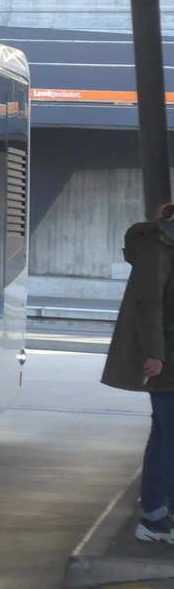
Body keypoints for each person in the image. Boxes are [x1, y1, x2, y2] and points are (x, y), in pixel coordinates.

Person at [102, 202, 174, 543]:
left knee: (164, 435)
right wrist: (155, 354)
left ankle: (156, 515)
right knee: (168, 437)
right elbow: (149, 302)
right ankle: (160, 516)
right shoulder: (159, 245)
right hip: (167, 358)